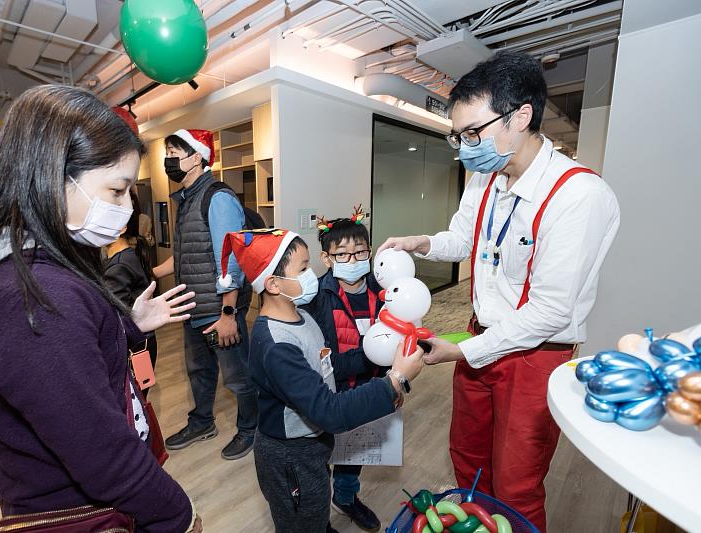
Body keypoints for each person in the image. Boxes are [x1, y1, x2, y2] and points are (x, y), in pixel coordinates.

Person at [0, 85, 202, 533]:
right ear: (52, 176)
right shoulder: (32, 297)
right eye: (117, 190)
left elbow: (64, 363)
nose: (125, 209)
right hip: (81, 508)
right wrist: (177, 516)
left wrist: (127, 326)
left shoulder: (27, 269)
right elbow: (101, 454)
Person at [378, 51, 620, 532]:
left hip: (536, 356)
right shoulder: (486, 175)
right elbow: (464, 238)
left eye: (473, 132)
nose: (465, 147)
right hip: (479, 340)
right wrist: (420, 243)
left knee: (517, 483)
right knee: (468, 460)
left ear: (521, 116)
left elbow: (550, 312)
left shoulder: (579, 196)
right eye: (457, 136)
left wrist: (462, 352)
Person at [215, 229, 424, 533]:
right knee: (301, 519)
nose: (311, 275)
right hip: (291, 456)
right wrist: (394, 380)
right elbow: (329, 411)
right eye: (302, 269)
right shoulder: (276, 345)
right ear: (273, 284)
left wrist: (382, 364)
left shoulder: (302, 317)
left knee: (314, 506)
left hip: (311, 447)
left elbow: (328, 364)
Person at [158, 129, 258, 461]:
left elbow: (228, 259)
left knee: (238, 377)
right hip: (193, 308)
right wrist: (149, 274)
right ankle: (202, 423)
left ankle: (251, 427)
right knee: (199, 372)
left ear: (198, 156)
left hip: (218, 311)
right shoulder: (187, 200)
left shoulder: (217, 198)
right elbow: (188, 255)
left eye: (176, 152)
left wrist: (228, 315)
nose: (169, 159)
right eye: (168, 152)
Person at [303, 213, 386, 531]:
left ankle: (347, 498)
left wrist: (393, 383)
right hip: (330, 392)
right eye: (342, 254)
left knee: (355, 452)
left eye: (360, 252)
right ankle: (317, 512)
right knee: (320, 457)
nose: (353, 260)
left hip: (368, 388)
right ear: (326, 258)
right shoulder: (316, 298)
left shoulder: (384, 293)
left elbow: (393, 342)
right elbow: (319, 358)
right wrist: (367, 358)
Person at [104, 190, 159, 396]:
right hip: (143, 343)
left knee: (132, 405)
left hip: (134, 347)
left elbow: (112, 317)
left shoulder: (120, 265)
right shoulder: (128, 255)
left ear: (122, 227)